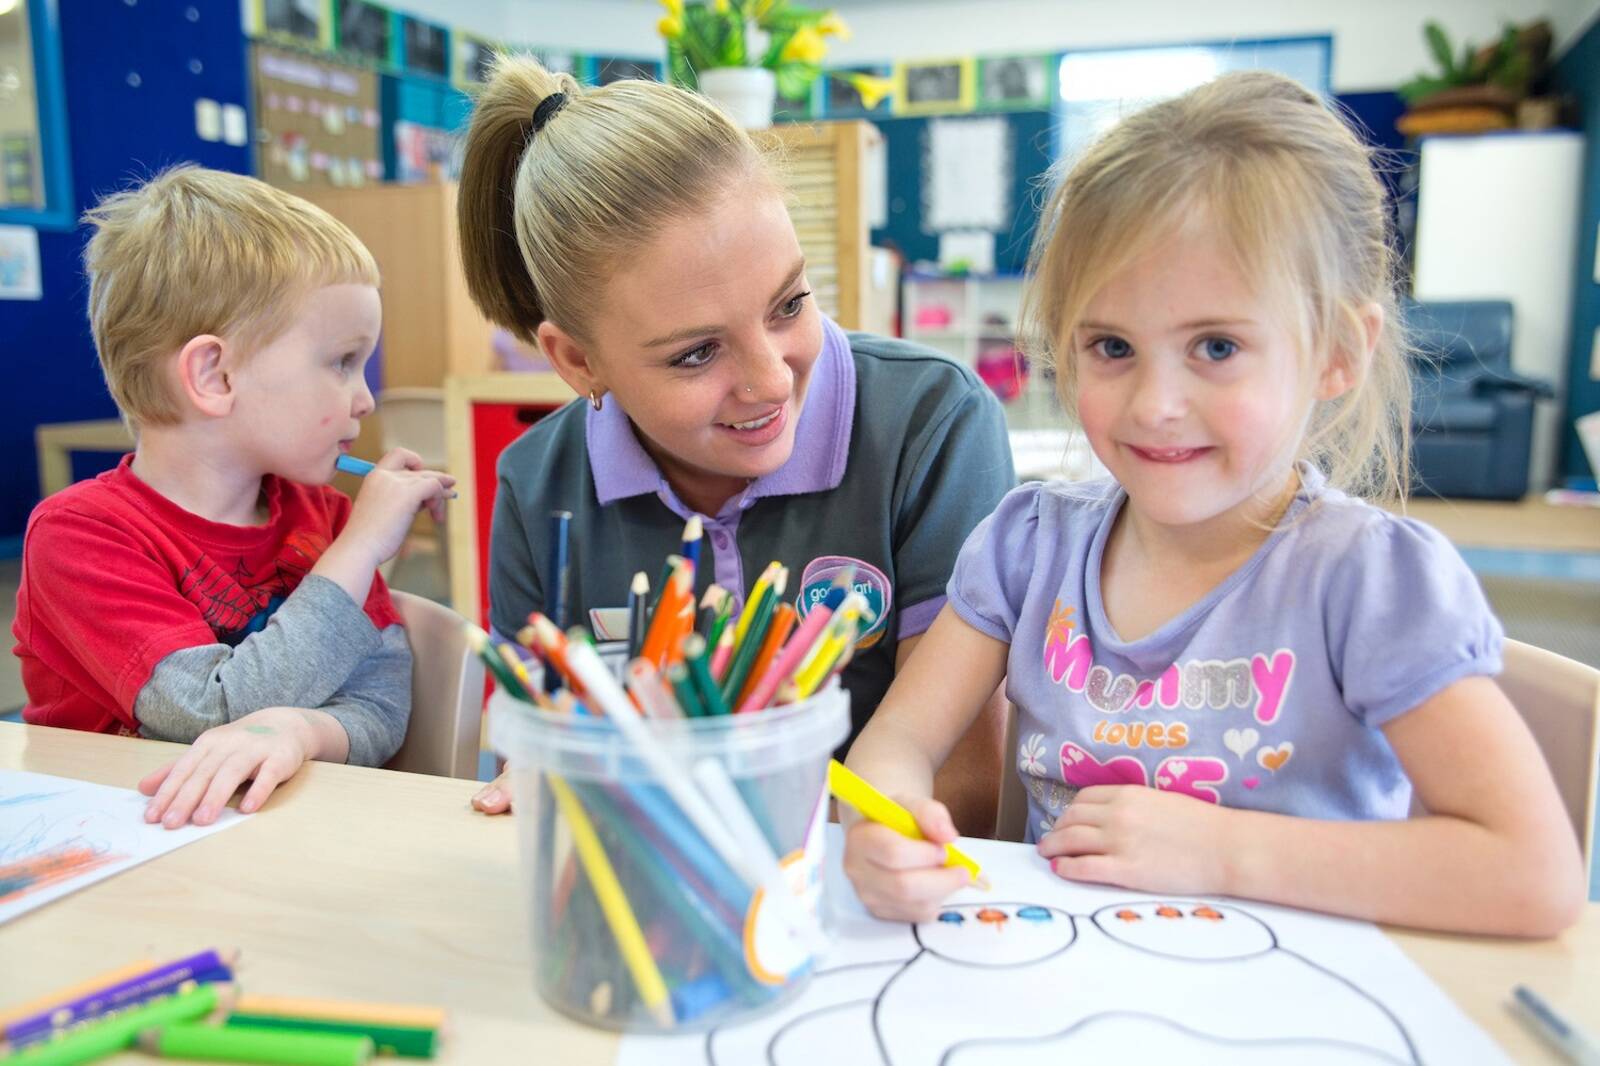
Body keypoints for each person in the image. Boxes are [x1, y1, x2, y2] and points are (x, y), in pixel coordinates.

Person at [841, 72, 1585, 936]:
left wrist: (1224, 851)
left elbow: (1532, 874)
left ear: (1338, 351)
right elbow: (897, 745)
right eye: (1112, 346)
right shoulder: (1026, 543)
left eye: (1217, 347)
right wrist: (884, 818)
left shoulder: (1367, 581)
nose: (1155, 402)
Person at [455, 57, 1015, 828]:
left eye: (790, 303)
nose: (771, 381)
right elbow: (539, 757)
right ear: (577, 361)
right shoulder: (536, 484)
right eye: (696, 354)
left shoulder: (933, 423)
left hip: (862, 903)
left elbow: (965, 788)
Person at [12, 167, 453, 828]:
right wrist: (362, 546)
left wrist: (303, 732)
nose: (364, 398)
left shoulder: (326, 518)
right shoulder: (80, 536)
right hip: (114, 849)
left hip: (273, 837)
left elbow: (383, 701)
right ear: (214, 375)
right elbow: (208, 712)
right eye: (341, 361)